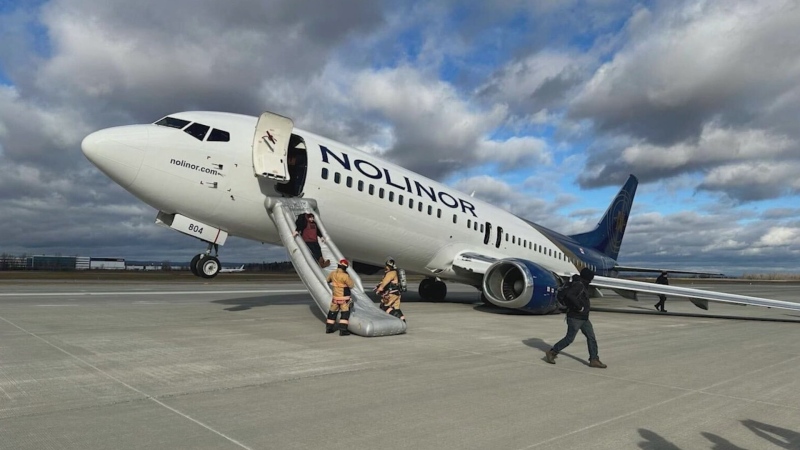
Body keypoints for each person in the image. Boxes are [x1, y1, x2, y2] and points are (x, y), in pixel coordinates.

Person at [545, 268, 607, 368]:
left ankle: (594, 359)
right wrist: (580, 307)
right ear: (588, 277)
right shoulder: (579, 284)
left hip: (584, 318)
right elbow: (570, 295)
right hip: (575, 317)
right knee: (569, 339)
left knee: (591, 338)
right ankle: (552, 352)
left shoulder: (581, 283)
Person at [325, 259, 355, 335]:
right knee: (345, 313)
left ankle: (329, 328)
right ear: (345, 267)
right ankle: (343, 330)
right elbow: (351, 285)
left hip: (335, 298)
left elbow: (327, 280)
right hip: (344, 299)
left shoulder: (332, 273)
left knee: (332, 312)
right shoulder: (345, 276)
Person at [375, 258, 405, 322]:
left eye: (386, 266)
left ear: (389, 266)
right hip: (396, 294)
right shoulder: (395, 272)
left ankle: (398, 319)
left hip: (391, 294)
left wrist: (379, 289)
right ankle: (402, 321)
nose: (385, 267)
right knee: (396, 308)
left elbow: (385, 282)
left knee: (384, 307)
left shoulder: (391, 273)